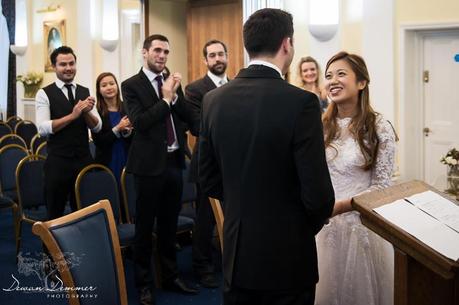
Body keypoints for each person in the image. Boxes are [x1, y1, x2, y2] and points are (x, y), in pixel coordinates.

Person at [199, 8, 335, 305]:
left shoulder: (212, 100)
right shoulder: (302, 102)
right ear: (287, 44)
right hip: (287, 258)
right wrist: (295, 226)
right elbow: (319, 196)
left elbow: (207, 179)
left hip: (237, 254)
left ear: (248, 45)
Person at [121, 34, 199, 305]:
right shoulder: (131, 85)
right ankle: (143, 283)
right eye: (156, 50)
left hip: (174, 163)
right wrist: (165, 101)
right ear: (144, 52)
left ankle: (170, 276)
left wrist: (175, 98)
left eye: (166, 51)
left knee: (169, 226)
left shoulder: (172, 83)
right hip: (147, 167)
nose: (162, 56)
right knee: (144, 228)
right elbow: (140, 122)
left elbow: (190, 118)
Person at [315, 51, 396, 305]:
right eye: (328, 76)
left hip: (361, 226)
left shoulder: (379, 126)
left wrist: (341, 207)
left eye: (341, 74)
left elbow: (382, 187)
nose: (333, 81)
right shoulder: (320, 126)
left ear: (361, 83)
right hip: (323, 226)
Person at [36, 46, 102, 220]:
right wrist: (72, 116)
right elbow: (42, 128)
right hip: (58, 162)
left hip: (83, 159)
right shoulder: (44, 93)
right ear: (54, 67)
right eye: (63, 64)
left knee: (85, 212)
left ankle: (83, 247)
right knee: (55, 214)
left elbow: (97, 127)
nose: (68, 68)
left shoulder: (84, 91)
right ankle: (51, 248)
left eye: (71, 63)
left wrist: (87, 111)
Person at [185, 39, 229, 288]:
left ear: (227, 56)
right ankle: (202, 267)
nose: (217, 59)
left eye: (221, 54)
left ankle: (228, 261)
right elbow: (197, 126)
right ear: (205, 60)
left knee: (233, 215)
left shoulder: (236, 86)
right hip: (207, 164)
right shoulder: (194, 89)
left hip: (235, 163)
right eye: (212, 55)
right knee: (205, 219)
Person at [91, 72, 132, 183]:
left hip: (128, 158)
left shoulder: (127, 107)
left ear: (117, 86)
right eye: (104, 85)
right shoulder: (96, 112)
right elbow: (99, 142)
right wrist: (117, 128)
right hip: (107, 161)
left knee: (129, 195)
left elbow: (134, 137)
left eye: (111, 83)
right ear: (99, 90)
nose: (109, 87)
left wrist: (128, 132)